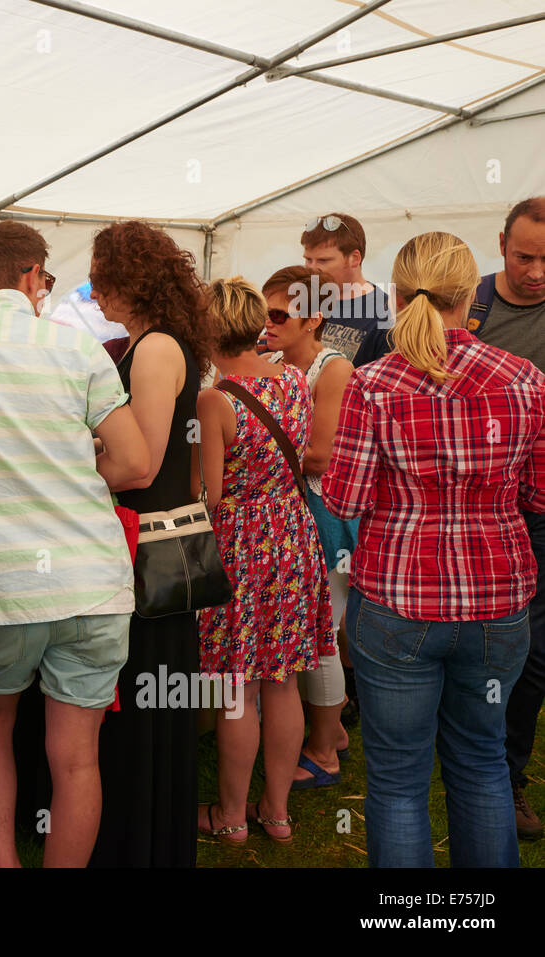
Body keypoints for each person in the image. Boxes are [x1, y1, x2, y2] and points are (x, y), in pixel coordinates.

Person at [0, 221, 149, 867]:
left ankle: (4, 863)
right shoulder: (78, 349)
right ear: (32, 275)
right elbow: (134, 464)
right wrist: (70, 460)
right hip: (90, 581)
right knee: (76, 757)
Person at [324, 231, 545, 868]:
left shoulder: (372, 384)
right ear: (467, 293)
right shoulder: (525, 378)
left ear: (395, 293)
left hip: (397, 603)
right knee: (482, 762)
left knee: (397, 778)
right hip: (498, 603)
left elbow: (345, 499)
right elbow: (538, 490)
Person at [83, 220, 212, 867]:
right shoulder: (155, 342)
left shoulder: (156, 349)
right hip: (152, 550)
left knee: (144, 705)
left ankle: (143, 844)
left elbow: (142, 464)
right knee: (146, 708)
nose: (95, 294)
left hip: (151, 554)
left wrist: (77, 466)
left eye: (101, 281)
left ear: (126, 282)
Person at [195, 276, 334, 846]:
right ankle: (276, 813)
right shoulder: (298, 380)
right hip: (295, 542)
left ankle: (230, 817)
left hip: (240, 546)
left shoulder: (216, 399)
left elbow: (213, 495)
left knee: (238, 689)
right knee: (282, 685)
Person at [468, 197, 545, 840]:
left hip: (540, 506)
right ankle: (469, 754)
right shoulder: (468, 306)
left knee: (535, 651)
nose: (538, 271)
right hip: (476, 506)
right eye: (525, 256)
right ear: (500, 244)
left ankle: (507, 773)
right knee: (471, 642)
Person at [261, 266, 354, 790]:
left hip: (323, 515)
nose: (267, 325)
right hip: (287, 515)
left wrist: (245, 454)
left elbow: (319, 457)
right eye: (263, 314)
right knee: (311, 633)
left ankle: (324, 751)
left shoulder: (332, 368)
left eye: (278, 315)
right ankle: (332, 730)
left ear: (313, 318)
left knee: (320, 637)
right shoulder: (271, 361)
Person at [301, 212, 391, 366]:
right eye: (308, 260)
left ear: (354, 259)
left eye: (323, 260)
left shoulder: (385, 313)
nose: (312, 268)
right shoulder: (302, 301)